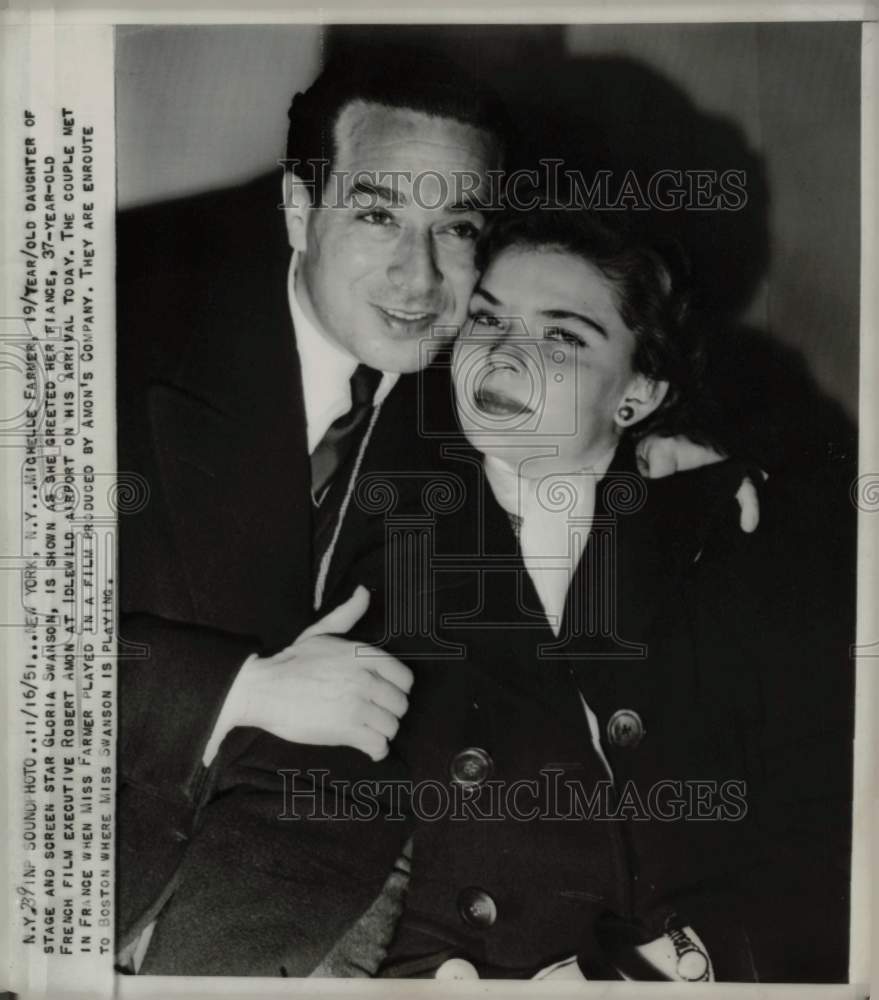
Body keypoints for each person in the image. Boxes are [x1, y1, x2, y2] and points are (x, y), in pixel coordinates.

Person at [115, 49, 752, 976]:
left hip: (281, 911)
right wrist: (234, 689)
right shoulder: (107, 336)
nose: (419, 278)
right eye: (378, 215)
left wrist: (671, 458)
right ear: (300, 211)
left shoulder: (461, 391)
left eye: (456, 228)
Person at [368, 208, 854, 982]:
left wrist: (676, 965)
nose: (502, 357)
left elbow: (830, 813)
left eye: (560, 336)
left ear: (638, 392)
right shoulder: (379, 525)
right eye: (487, 318)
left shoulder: (729, 529)